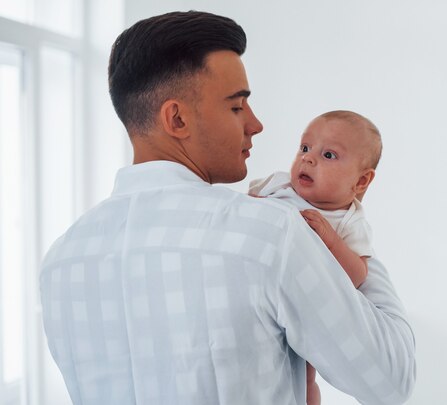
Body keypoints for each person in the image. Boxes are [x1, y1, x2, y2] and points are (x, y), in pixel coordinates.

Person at [39, 10, 416, 405]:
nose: (256, 124)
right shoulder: (271, 233)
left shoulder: (61, 260)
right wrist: (351, 223)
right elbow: (391, 379)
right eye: (237, 107)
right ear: (177, 118)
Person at [249, 110, 383, 404]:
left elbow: (358, 275)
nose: (308, 159)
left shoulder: (348, 220)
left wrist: (330, 239)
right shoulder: (277, 185)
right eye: (305, 148)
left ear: (361, 182)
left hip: (307, 308)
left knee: (303, 376)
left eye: (329, 155)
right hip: (264, 296)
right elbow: (244, 210)